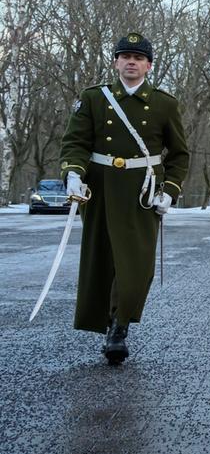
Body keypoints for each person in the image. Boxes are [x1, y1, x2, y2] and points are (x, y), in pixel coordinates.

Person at [59, 32, 190, 365]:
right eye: (125, 56)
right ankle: (109, 324)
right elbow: (75, 142)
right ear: (116, 62)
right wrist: (73, 172)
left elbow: (178, 154)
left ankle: (121, 324)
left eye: (138, 57)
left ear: (148, 65)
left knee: (136, 268)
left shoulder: (164, 103)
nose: (131, 61)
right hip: (100, 189)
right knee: (101, 261)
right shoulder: (94, 99)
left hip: (142, 193)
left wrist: (169, 191)